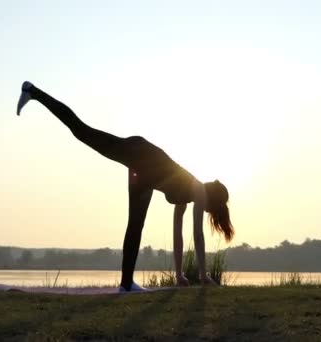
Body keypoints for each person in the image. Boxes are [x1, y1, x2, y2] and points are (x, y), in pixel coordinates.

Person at [16, 81, 234, 292]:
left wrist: (179, 275)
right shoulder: (197, 189)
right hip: (140, 154)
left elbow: (178, 235)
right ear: (212, 201)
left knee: (135, 225)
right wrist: (204, 277)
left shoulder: (189, 196)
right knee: (83, 132)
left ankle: (126, 283)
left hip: (144, 176)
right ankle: (32, 91)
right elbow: (197, 235)